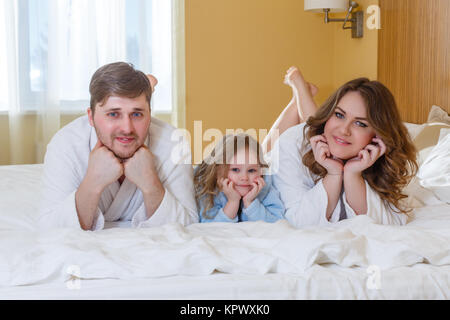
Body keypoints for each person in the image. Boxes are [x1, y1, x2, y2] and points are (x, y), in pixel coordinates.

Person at [38, 62, 198, 231]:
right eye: (113, 114)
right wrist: (92, 182)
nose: (127, 128)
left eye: (137, 114)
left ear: (150, 114)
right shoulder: (66, 144)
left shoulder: (174, 144)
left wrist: (150, 183)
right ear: (91, 117)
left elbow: (188, 224)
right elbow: (50, 228)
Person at [265, 66, 418, 227]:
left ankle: (300, 96)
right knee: (266, 150)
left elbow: (387, 223)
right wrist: (333, 175)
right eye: (339, 114)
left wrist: (352, 175)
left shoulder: (380, 161)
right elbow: (299, 222)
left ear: (377, 136)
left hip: (321, 135)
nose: (345, 130)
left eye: (360, 123)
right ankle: (300, 91)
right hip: (270, 161)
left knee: (316, 127)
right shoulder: (292, 143)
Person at [194, 134, 285, 223]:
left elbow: (277, 223)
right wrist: (232, 202)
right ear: (218, 171)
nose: (244, 178)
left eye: (251, 170)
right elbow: (209, 227)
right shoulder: (210, 191)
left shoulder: (264, 188)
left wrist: (250, 203)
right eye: (235, 169)